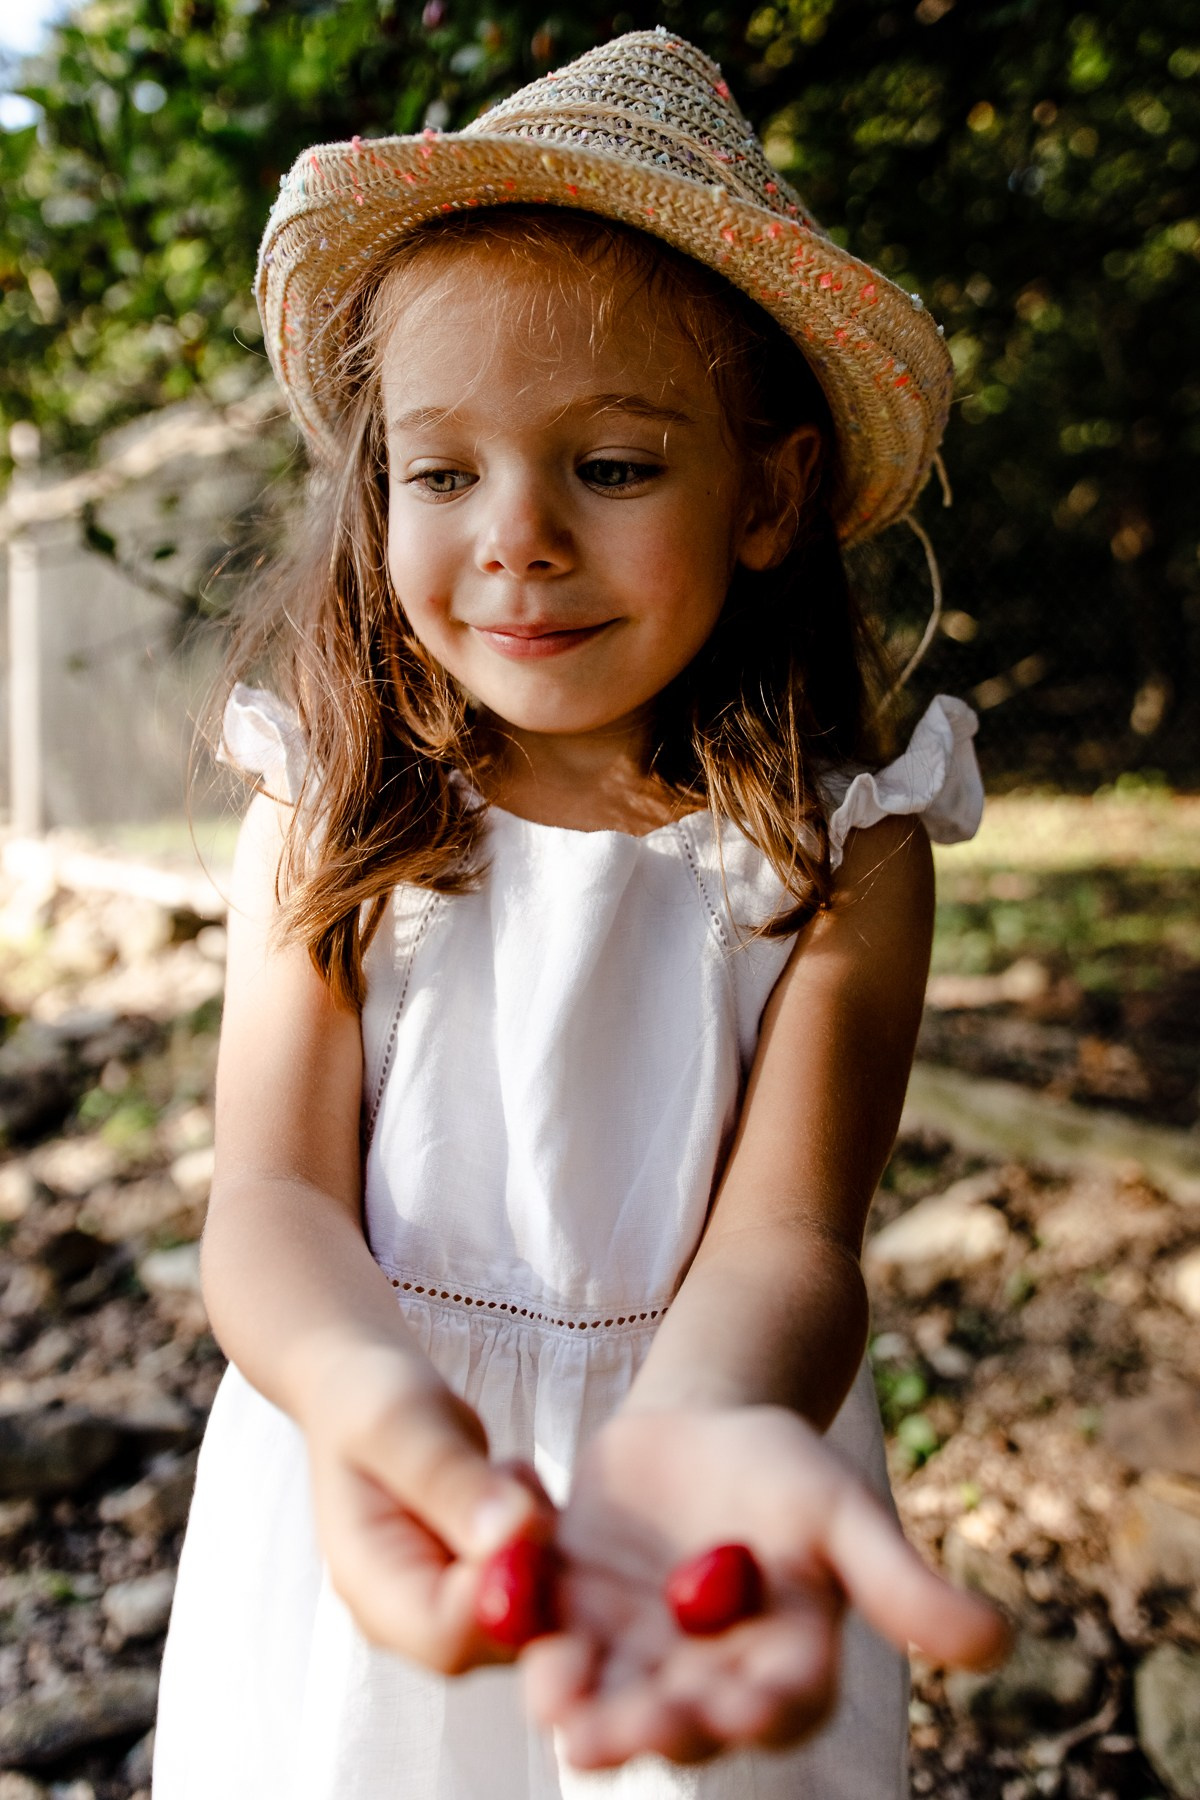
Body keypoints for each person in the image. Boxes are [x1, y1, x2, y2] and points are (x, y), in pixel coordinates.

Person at [154, 28, 1008, 1800]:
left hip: (703, 1469)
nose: (516, 537)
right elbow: (273, 1199)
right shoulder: (329, 810)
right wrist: (379, 1414)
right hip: (368, 1473)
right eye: (441, 471)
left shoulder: (843, 848)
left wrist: (689, 1443)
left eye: (611, 468)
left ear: (765, 494)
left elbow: (790, 1243)